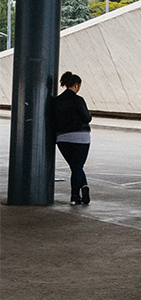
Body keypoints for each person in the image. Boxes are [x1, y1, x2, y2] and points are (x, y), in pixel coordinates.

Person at [52, 70, 92, 206]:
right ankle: (75, 196)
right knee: (78, 167)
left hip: (62, 138)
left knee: (76, 167)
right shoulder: (78, 100)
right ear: (76, 85)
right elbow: (86, 118)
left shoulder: (56, 101)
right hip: (80, 137)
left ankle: (84, 187)